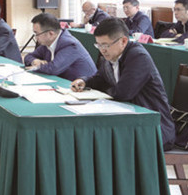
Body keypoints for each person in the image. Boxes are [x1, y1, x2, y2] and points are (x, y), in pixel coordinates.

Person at [71, 18, 175, 150]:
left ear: (123, 41)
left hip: (153, 128)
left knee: (98, 141)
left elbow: (123, 93)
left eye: (105, 45)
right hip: (129, 121)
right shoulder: (111, 55)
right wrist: (84, 81)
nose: (102, 50)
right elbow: (101, 78)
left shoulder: (138, 56)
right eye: (98, 45)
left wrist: (104, 91)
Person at [23, 13, 97, 81]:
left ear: (51, 34)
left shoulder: (69, 44)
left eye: (37, 34)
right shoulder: (46, 43)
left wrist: (37, 66)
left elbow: (53, 69)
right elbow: (28, 57)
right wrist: (34, 61)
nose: (36, 37)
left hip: (84, 87)